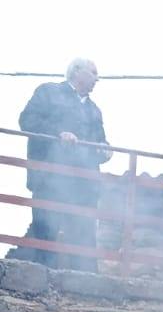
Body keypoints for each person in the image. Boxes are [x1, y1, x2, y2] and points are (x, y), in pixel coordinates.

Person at [18, 58, 110, 271]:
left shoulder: (94, 110)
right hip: (50, 178)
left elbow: (100, 141)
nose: (98, 78)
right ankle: (40, 281)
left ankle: (87, 286)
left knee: (84, 236)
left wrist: (104, 149)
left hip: (84, 184)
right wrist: (57, 134)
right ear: (77, 71)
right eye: (94, 72)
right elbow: (27, 121)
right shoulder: (48, 92)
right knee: (46, 232)